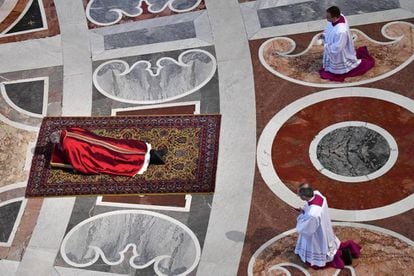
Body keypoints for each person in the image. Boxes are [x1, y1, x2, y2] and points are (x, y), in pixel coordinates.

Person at [49, 127, 165, 177]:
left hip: (95, 152)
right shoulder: (69, 130)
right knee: (119, 146)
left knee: (115, 158)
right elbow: (85, 132)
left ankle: (150, 159)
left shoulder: (68, 145)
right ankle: (149, 153)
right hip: (99, 141)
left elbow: (78, 162)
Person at [294, 183, 361, 269]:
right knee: (327, 243)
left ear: (303, 196)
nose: (298, 195)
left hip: (317, 234)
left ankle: (334, 257)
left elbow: (306, 230)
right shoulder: (319, 195)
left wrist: (301, 217)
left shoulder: (312, 214)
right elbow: (313, 209)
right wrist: (305, 210)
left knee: (320, 246)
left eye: (298, 194)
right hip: (325, 226)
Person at [319, 6, 374, 81]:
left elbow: (338, 47)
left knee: (339, 69)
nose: (326, 18)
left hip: (340, 54)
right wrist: (325, 34)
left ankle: (341, 70)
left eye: (328, 17)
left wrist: (325, 45)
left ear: (335, 17)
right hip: (334, 44)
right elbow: (330, 28)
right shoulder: (339, 16)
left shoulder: (341, 31)